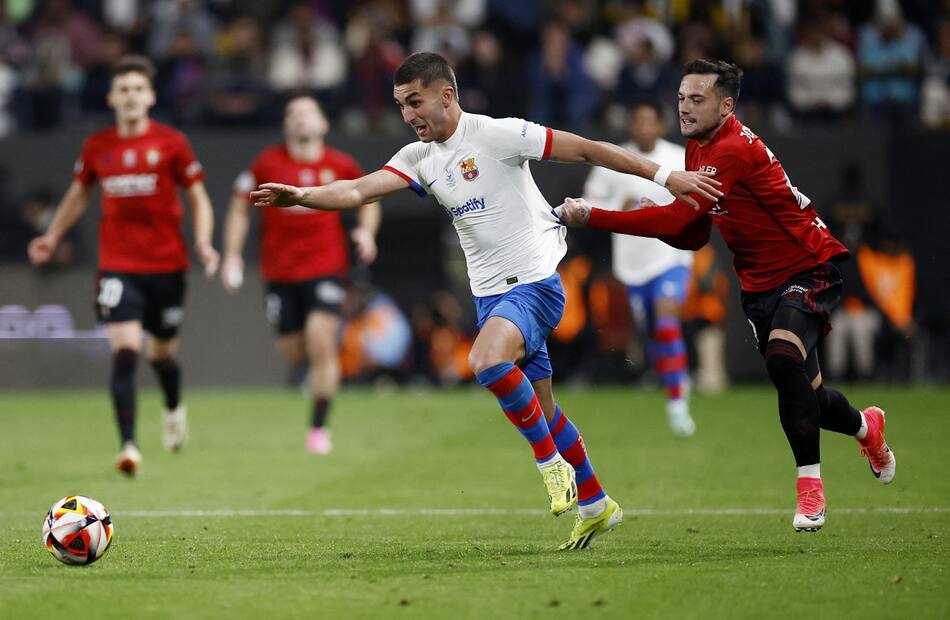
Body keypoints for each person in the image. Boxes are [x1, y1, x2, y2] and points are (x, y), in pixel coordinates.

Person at [250, 52, 722, 549]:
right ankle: (597, 503)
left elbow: (585, 149)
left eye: (415, 102)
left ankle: (547, 462)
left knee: (484, 359)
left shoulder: (497, 135)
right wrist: (302, 197)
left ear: (446, 95)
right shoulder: (418, 157)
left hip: (536, 286)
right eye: (400, 106)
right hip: (490, 299)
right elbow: (358, 191)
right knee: (547, 411)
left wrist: (666, 177)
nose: (408, 116)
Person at [557, 59, 896, 532]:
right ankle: (867, 429)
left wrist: (596, 216)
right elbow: (694, 233)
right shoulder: (697, 152)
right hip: (759, 284)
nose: (685, 108)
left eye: (697, 99)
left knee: (782, 357)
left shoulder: (731, 148)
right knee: (810, 399)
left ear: (726, 105)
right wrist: (664, 216)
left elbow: (679, 221)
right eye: (680, 98)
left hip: (807, 265)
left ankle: (810, 488)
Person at [28, 55, 219, 476]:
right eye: (123, 90)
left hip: (167, 265)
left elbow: (198, 197)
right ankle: (129, 445)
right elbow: (79, 194)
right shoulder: (97, 147)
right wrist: (52, 236)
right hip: (118, 266)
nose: (131, 96)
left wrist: (204, 242)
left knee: (162, 354)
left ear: (150, 96)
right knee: (126, 350)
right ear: (112, 97)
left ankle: (172, 407)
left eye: (138, 89)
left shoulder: (171, 142)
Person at [222, 96, 381, 455]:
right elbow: (238, 206)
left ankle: (318, 428)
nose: (300, 119)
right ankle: (311, 374)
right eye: (293, 113)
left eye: (308, 113)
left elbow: (370, 199)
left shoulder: (340, 163)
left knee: (321, 338)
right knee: (294, 352)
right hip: (279, 273)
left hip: (326, 269)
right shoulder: (268, 163)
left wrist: (366, 232)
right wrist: (232, 255)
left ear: (324, 124)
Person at [582, 101, 695, 437]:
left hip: (670, 256)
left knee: (665, 317)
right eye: (638, 121)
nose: (644, 128)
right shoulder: (614, 160)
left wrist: (668, 212)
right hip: (631, 263)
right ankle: (675, 377)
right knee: (651, 332)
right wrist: (622, 206)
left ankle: (677, 403)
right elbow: (591, 201)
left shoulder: (678, 157)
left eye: (650, 121)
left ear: (661, 126)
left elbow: (698, 200)